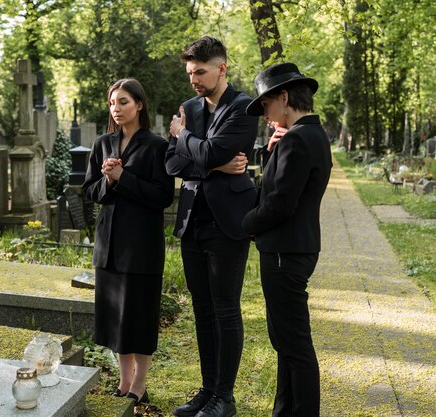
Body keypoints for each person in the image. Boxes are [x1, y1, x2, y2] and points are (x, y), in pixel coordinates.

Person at [165, 36, 258, 417]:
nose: (194, 80)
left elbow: (204, 150)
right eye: (190, 73)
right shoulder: (189, 106)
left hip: (228, 223)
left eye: (200, 72)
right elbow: (172, 164)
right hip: (192, 221)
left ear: (222, 68)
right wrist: (213, 161)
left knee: (225, 308)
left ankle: (225, 397)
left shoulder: (243, 108)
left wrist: (182, 136)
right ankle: (207, 390)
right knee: (202, 309)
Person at [242, 62, 332, 417]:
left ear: (283, 96)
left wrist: (245, 224)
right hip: (294, 247)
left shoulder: (297, 139)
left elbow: (279, 203)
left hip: (285, 249)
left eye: (266, 104)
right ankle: (285, 411)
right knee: (285, 340)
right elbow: (277, 186)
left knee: (293, 343)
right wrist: (270, 150)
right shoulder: (309, 135)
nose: (264, 113)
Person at [82, 78, 174, 406]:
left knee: (139, 316)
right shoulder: (102, 144)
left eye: (123, 102)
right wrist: (108, 181)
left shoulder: (157, 146)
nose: (116, 109)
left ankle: (140, 383)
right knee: (115, 318)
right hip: (108, 244)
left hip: (141, 246)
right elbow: (89, 190)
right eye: (112, 103)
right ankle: (123, 381)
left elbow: (163, 196)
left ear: (139, 105)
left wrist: (125, 178)